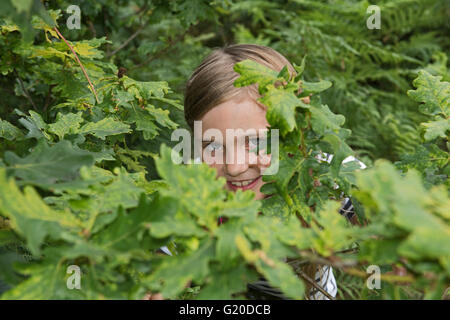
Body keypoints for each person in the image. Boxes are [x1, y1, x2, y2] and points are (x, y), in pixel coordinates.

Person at [152, 44, 365, 300]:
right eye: (214, 146)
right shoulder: (193, 193)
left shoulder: (327, 174)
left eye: (256, 142)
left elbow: (389, 216)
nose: (234, 166)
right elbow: (162, 266)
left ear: (296, 131)